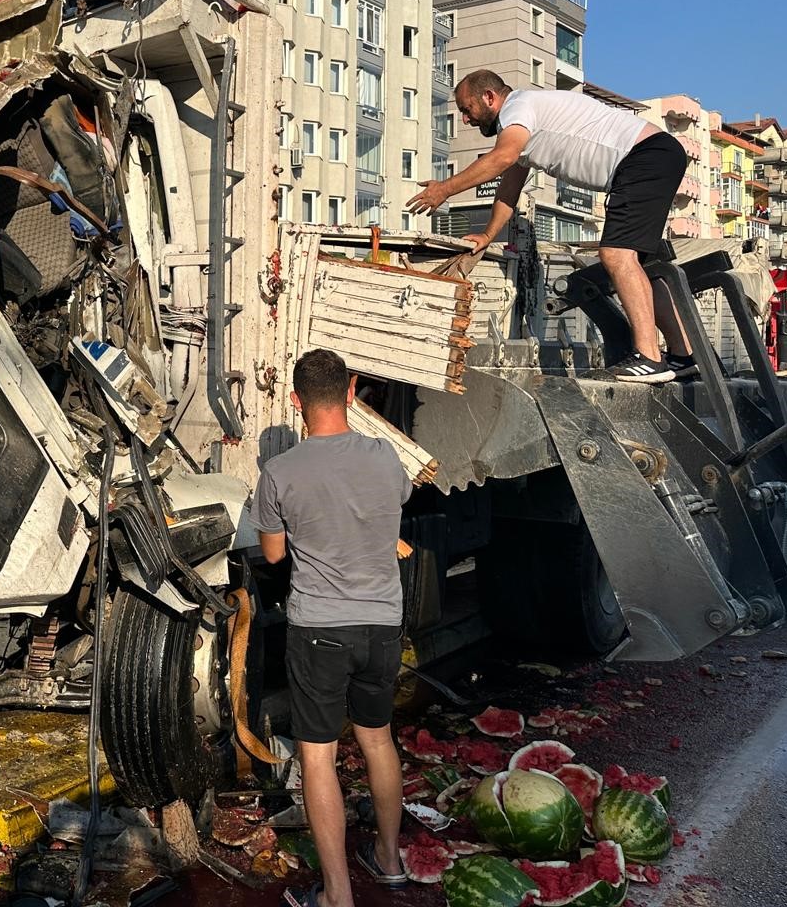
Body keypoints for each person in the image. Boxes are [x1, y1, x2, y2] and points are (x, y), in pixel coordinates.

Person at [407, 70, 693, 384]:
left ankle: (649, 357)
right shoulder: (523, 129)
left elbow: (501, 157)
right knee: (641, 265)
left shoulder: (518, 106)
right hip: (654, 155)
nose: (465, 119)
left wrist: (444, 189)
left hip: (642, 157)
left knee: (615, 255)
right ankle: (682, 357)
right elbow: (509, 189)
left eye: (466, 109)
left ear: (489, 97)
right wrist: (488, 234)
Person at [254, 348, 413, 907]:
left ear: (296, 402)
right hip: (382, 624)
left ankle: (337, 896)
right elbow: (395, 506)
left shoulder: (278, 472)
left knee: (317, 754)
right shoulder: (387, 458)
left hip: (320, 628)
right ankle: (390, 861)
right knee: (377, 739)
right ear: (351, 392)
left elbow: (273, 555)